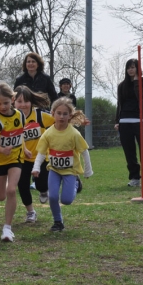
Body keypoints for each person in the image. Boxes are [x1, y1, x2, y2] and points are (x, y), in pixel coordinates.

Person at [32, 98, 93, 232]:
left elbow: (84, 151)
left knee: (66, 200)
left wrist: (88, 170)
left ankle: (76, 183)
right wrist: (36, 168)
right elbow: (41, 153)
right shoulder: (48, 134)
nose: (61, 116)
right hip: (53, 170)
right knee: (53, 197)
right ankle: (58, 221)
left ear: (70, 116)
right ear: (53, 114)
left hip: (70, 172)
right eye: (58, 113)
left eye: (65, 114)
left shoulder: (74, 134)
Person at [0, 83, 31, 242]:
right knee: (1, 196)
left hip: (16, 158)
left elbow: (20, 135)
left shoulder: (20, 115)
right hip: (0, 160)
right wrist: (2, 150)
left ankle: (7, 228)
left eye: (5, 103)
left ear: (12, 99)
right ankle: (5, 188)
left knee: (11, 190)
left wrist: (24, 149)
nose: (2, 107)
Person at [114, 59, 143, 187]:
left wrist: (136, 81)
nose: (130, 70)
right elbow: (120, 104)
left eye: (133, 67)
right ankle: (135, 177)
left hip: (140, 120)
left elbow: (141, 96)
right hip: (125, 121)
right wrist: (117, 121)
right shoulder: (121, 86)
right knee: (129, 152)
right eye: (129, 67)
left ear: (138, 69)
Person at [13, 86, 54, 223]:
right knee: (22, 185)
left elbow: (59, 118)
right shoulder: (11, 117)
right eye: (19, 101)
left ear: (31, 102)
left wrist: (76, 119)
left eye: (26, 101)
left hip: (41, 157)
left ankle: (43, 190)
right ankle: (31, 212)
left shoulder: (40, 116)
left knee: (42, 184)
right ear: (14, 102)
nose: (23, 105)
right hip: (21, 158)